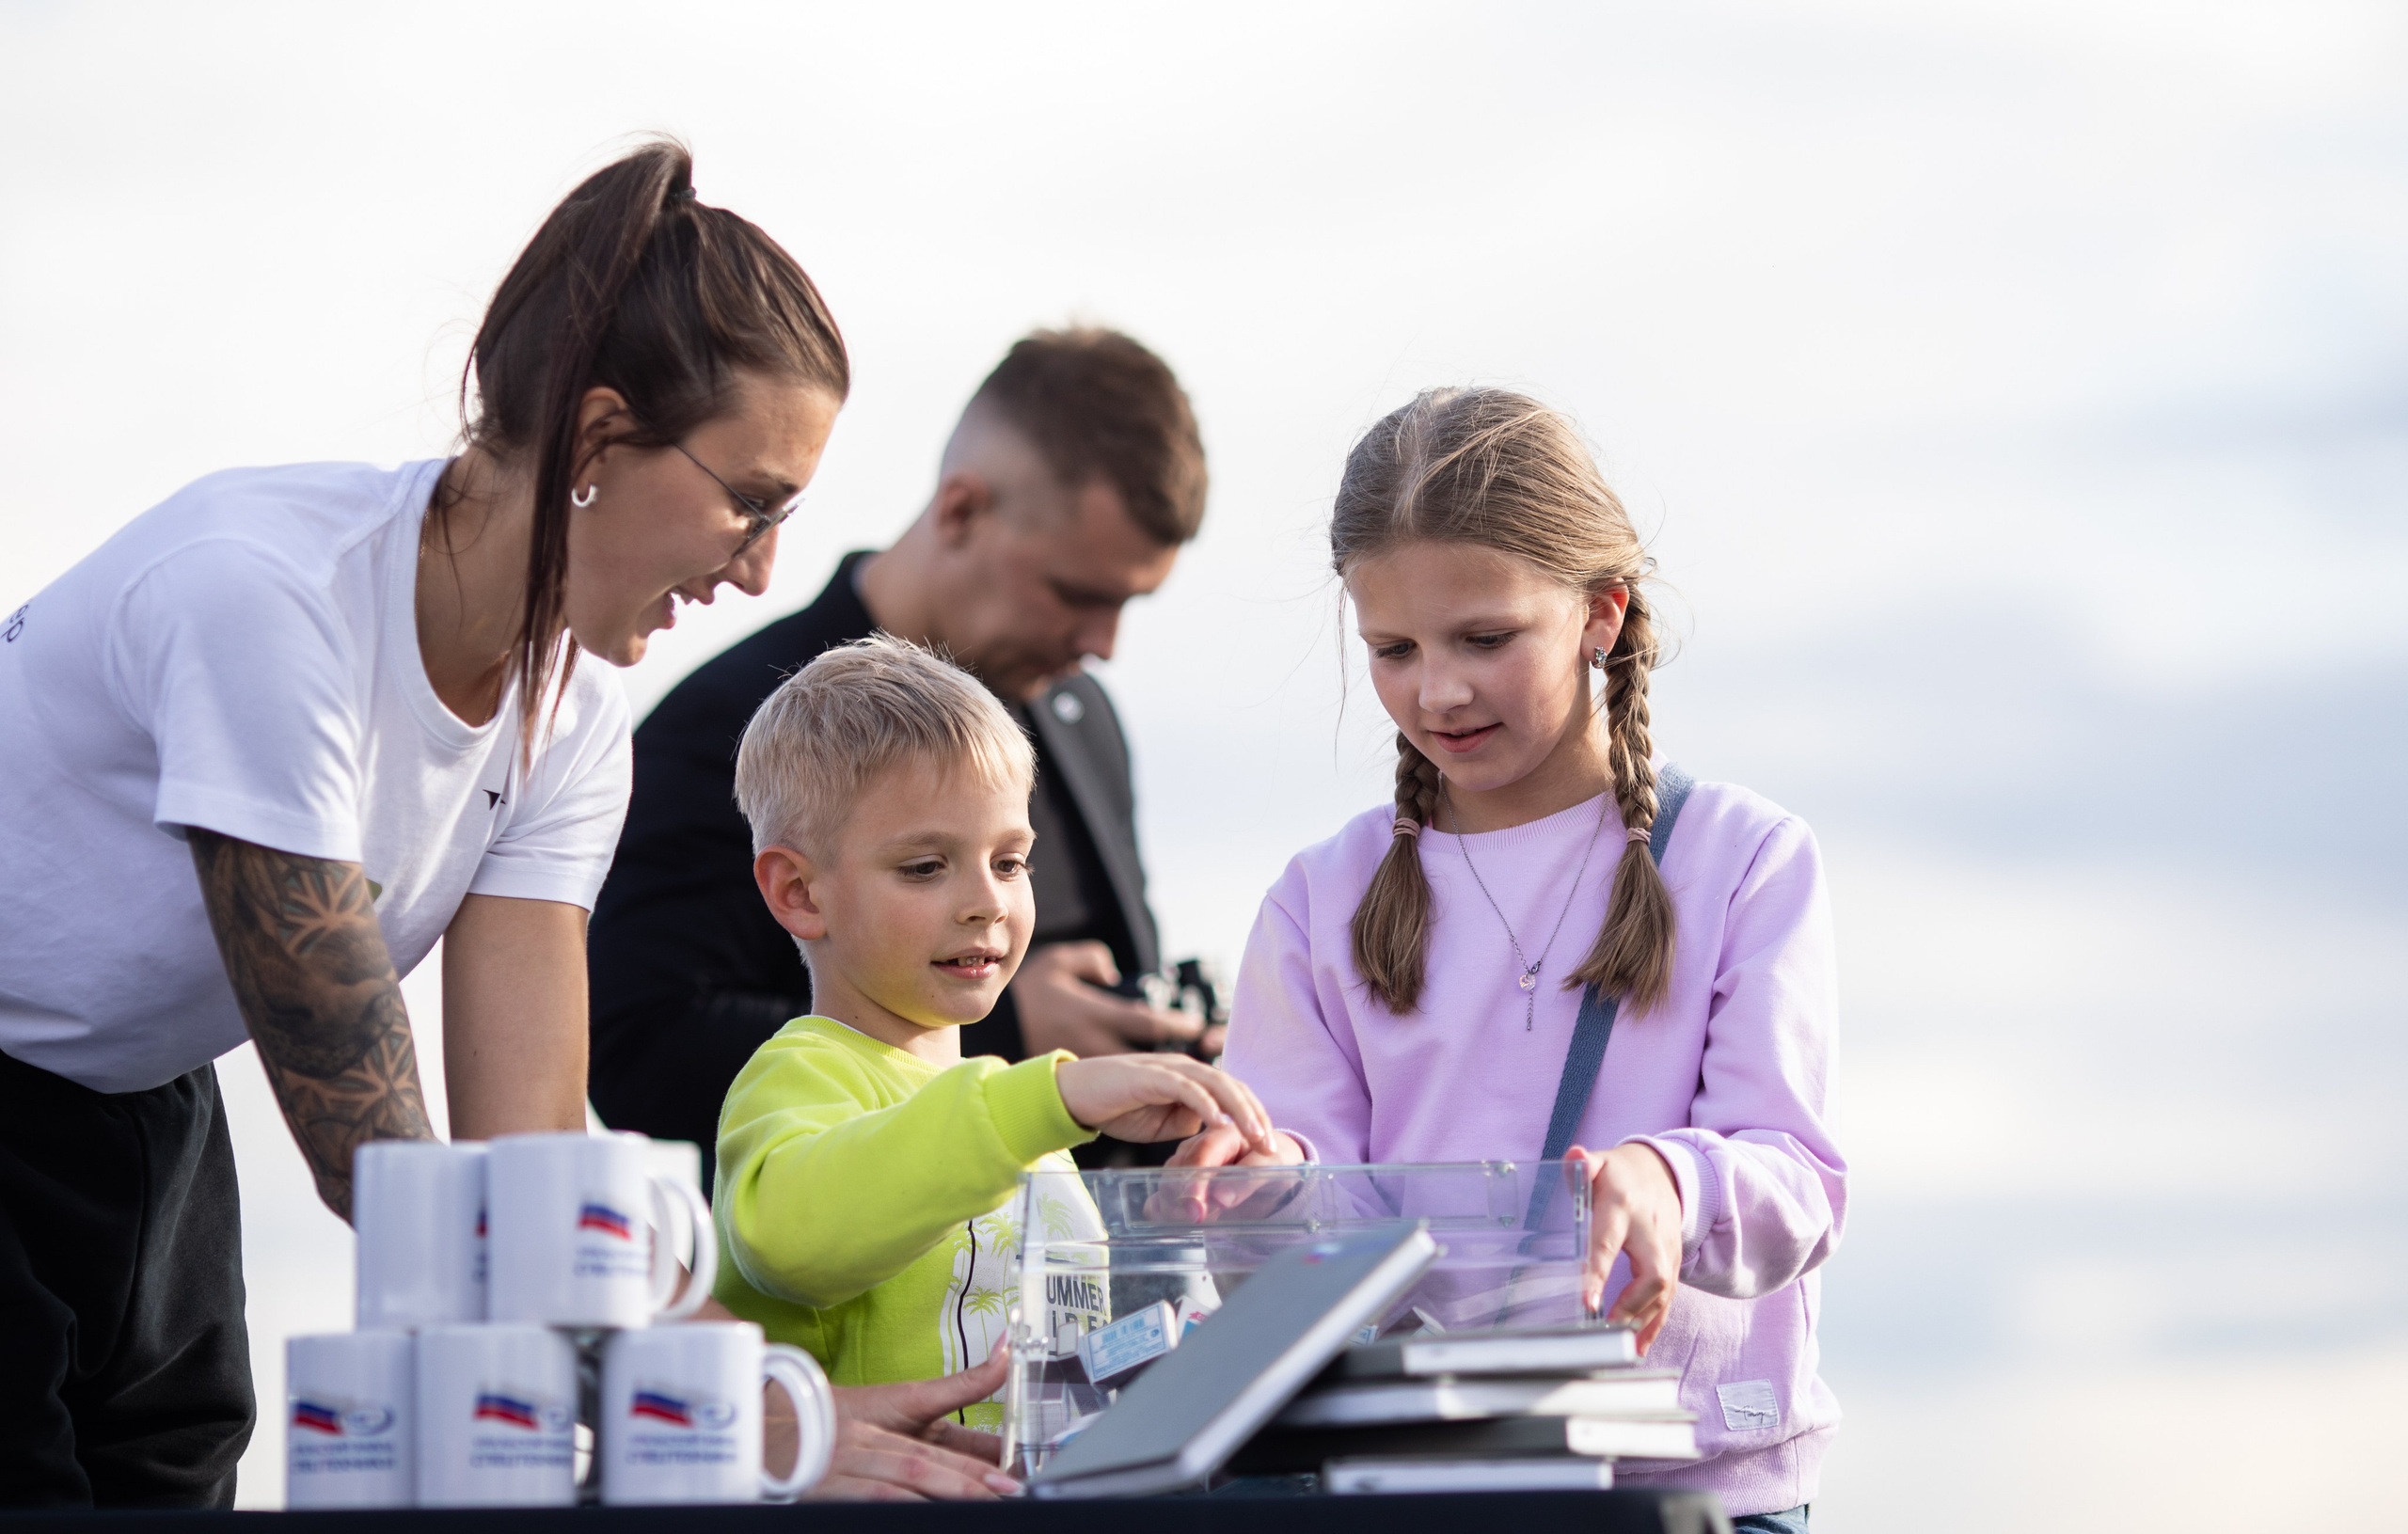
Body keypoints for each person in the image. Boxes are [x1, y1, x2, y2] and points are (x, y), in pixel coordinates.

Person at [0, 138, 1008, 1509]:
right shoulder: (261, 597)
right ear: (597, 438)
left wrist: (772, 1400)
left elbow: (527, 1169)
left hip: (144, 1099)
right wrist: (730, 1417)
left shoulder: (574, 718)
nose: (762, 567)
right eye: (747, 502)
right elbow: (382, 1162)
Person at [1178, 389, 1846, 1532]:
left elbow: (1796, 1177)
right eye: (1392, 649)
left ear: (1600, 612)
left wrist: (1669, 1180)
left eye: (1484, 638)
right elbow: (1311, 1242)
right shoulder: (1318, 897)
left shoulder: (1744, 857)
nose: (1436, 690)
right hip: (1413, 1482)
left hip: (1692, 1487)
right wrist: (1263, 1181)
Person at [587, 329, 1211, 1182]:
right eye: (1076, 593)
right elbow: (636, 1046)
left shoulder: (1079, 712)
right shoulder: (729, 722)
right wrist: (1004, 1036)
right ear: (961, 511)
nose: (1102, 643)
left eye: (1012, 864)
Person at [708, 638, 1276, 1423]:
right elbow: (790, 1242)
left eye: (1010, 862)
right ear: (800, 892)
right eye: (924, 866)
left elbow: (1074, 1373)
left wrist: (1197, 1232)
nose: (988, 902)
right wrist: (1051, 1098)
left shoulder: (1028, 1129)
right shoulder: (805, 1076)